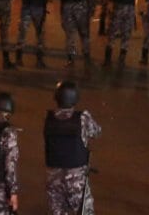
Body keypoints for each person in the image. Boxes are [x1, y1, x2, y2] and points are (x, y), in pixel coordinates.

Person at [44, 80, 101, 215]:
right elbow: (96, 132)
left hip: (54, 176)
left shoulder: (48, 117)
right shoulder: (82, 118)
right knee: (84, 211)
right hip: (76, 178)